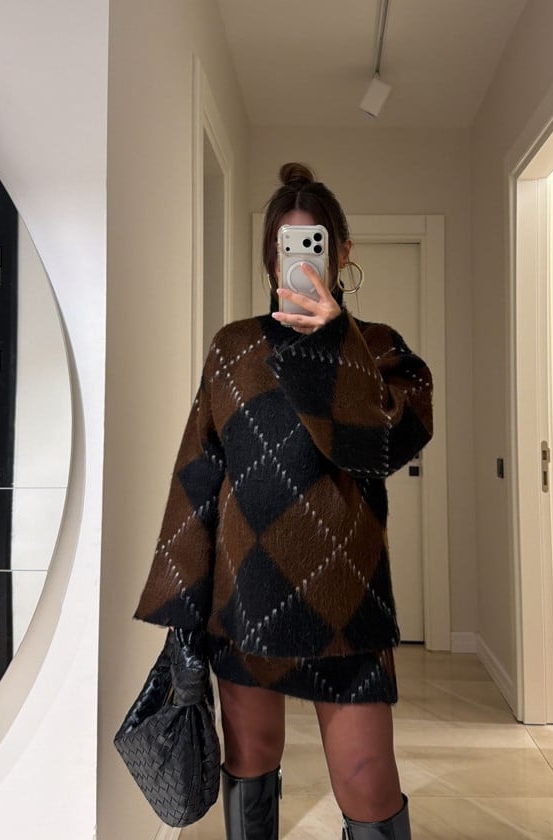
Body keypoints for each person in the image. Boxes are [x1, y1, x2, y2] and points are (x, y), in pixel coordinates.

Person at [134, 162, 433, 839]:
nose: (296, 258)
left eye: (312, 242)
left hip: (347, 604)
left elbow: (386, 445)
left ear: (342, 252)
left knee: (368, 779)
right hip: (248, 595)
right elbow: (198, 475)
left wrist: (332, 341)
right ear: (270, 255)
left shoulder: (378, 348)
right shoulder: (233, 348)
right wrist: (184, 610)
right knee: (251, 763)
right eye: (284, 245)